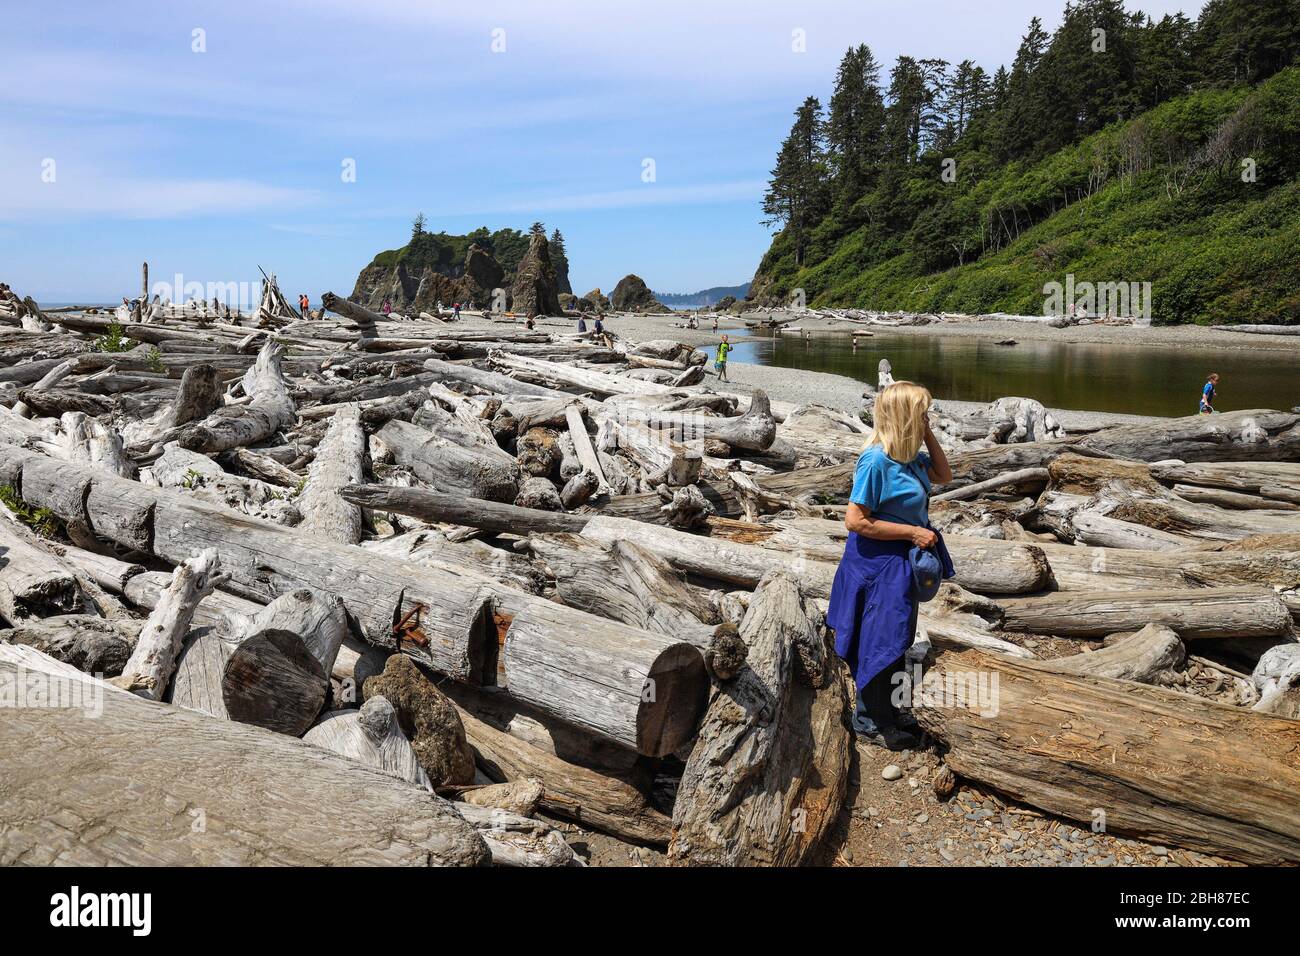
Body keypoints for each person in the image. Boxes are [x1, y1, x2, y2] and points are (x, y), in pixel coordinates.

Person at [827, 381, 955, 751]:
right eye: (922, 413)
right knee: (877, 641)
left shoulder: (911, 457)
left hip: (900, 564)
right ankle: (867, 721)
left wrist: (928, 434)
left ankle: (893, 710)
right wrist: (913, 532)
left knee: (898, 637)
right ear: (905, 417)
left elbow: (945, 476)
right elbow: (855, 520)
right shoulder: (876, 460)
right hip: (875, 564)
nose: (928, 418)